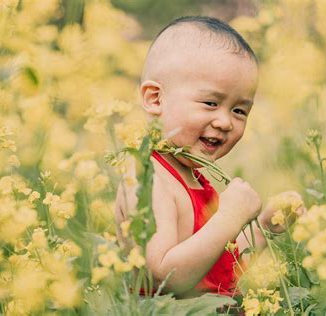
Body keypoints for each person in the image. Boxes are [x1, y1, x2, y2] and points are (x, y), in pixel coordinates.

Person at [114, 16, 304, 298]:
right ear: (155, 99)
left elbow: (220, 272)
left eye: (240, 110)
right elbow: (165, 276)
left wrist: (264, 228)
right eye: (210, 103)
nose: (225, 122)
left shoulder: (196, 178)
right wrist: (229, 217)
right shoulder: (147, 176)